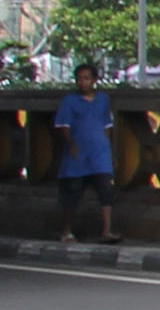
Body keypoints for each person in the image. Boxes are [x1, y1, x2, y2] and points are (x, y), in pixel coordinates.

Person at [51, 59, 120, 243]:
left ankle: (107, 230)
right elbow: (62, 125)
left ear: (94, 80)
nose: (83, 82)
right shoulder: (70, 101)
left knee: (106, 191)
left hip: (100, 152)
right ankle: (66, 230)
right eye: (79, 79)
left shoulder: (103, 100)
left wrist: (110, 151)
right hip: (78, 153)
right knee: (73, 193)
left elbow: (107, 125)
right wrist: (71, 144)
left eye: (86, 78)